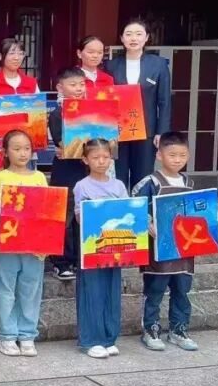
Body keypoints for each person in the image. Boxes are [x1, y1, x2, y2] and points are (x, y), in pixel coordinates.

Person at [132, 132, 199, 352]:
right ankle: (150, 329)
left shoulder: (189, 183)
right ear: (159, 155)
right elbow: (134, 206)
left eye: (182, 155)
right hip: (158, 249)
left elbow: (199, 212)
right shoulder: (150, 182)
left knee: (182, 290)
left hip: (183, 249)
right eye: (172, 155)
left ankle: (179, 330)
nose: (177, 160)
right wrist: (147, 222)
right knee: (155, 289)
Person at [0, 129, 48, 357]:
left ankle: (27, 334)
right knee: (5, 289)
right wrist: (10, 201)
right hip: (6, 242)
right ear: (5, 152)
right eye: (16, 149)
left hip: (33, 244)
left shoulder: (39, 177)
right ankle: (6, 335)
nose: (23, 153)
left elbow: (47, 209)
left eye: (27, 149)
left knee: (31, 289)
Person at [73, 138, 126, 359]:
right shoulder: (82, 185)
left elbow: (127, 212)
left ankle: (109, 337)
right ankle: (90, 340)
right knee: (92, 291)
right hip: (91, 245)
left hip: (115, 245)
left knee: (112, 290)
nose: (101, 161)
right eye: (96, 157)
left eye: (106, 157)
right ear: (86, 160)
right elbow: (79, 217)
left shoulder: (119, 185)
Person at [104, 20, 172, 189]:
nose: (133, 38)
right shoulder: (111, 65)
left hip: (146, 130)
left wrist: (161, 132)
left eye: (138, 34)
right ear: (122, 38)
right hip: (117, 131)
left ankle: (141, 205)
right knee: (117, 175)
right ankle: (120, 204)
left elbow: (164, 101)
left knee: (143, 176)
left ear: (147, 37)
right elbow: (105, 99)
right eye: (128, 34)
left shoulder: (159, 64)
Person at [48, 67, 90, 281]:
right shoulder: (57, 114)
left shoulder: (94, 112)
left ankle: (79, 258)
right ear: (60, 87)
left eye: (82, 84)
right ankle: (61, 262)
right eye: (73, 85)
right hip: (65, 170)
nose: (78, 89)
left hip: (87, 170)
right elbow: (63, 144)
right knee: (64, 216)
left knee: (83, 214)